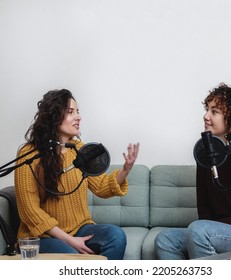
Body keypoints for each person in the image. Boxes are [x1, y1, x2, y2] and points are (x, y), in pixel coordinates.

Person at [154, 83, 231, 259]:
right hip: (213, 231)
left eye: (214, 111)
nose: (206, 116)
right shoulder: (207, 155)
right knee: (165, 239)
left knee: (198, 230)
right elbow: (204, 209)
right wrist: (209, 229)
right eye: (207, 110)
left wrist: (209, 229)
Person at [14, 89, 140, 260]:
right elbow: (30, 211)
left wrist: (126, 169)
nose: (78, 117)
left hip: (80, 228)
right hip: (43, 237)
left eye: (78, 112)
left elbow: (102, 187)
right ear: (54, 116)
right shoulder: (29, 155)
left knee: (116, 236)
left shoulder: (79, 149)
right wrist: (70, 241)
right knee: (72, 257)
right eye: (70, 112)